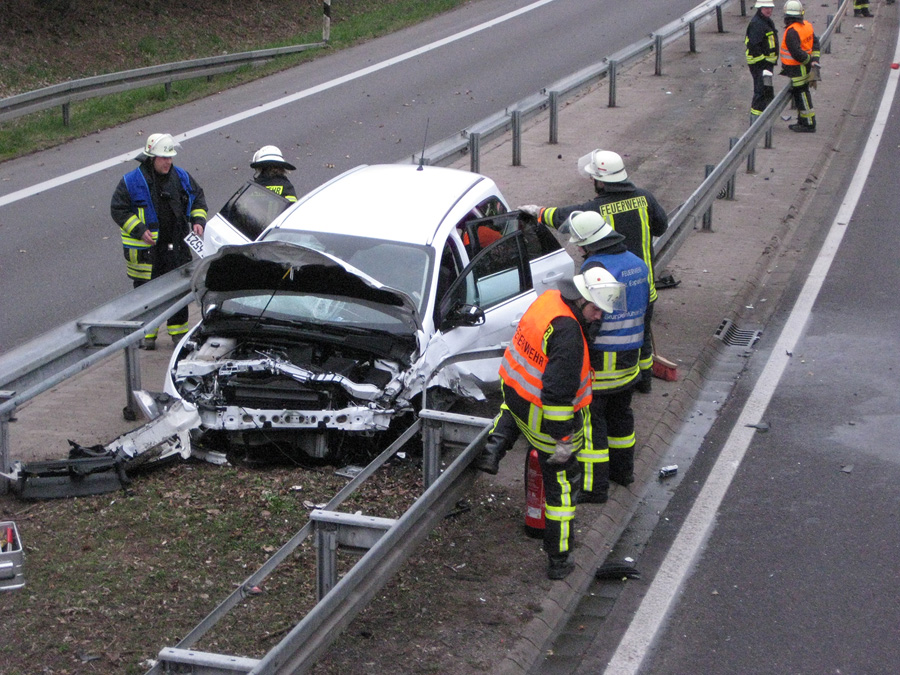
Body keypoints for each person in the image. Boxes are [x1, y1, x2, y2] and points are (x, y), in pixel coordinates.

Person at [473, 272, 621, 580]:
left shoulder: (549, 300)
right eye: (596, 308)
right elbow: (557, 396)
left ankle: (493, 449)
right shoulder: (569, 335)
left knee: (510, 412)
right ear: (580, 299)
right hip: (545, 421)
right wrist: (563, 439)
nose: (599, 316)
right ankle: (559, 559)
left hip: (515, 393)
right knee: (562, 491)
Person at [519, 149, 666, 394]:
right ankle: (643, 381)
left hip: (607, 289)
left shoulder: (596, 208)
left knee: (607, 339)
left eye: (594, 178)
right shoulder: (645, 198)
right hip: (643, 284)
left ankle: (607, 384)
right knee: (640, 338)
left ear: (601, 181)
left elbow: (566, 217)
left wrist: (538, 212)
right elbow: (661, 227)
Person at [563, 211, 650, 493]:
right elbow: (648, 309)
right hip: (630, 357)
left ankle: (594, 487)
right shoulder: (637, 262)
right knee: (621, 417)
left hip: (602, 360)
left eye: (581, 244)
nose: (579, 250)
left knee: (592, 423)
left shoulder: (596, 268)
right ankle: (623, 473)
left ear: (591, 243)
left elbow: (591, 317)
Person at [110, 133, 208, 349]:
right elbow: (118, 209)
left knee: (178, 292)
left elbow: (198, 198)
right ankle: (148, 335)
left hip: (177, 246)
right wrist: (138, 229)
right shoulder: (131, 182)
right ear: (151, 158)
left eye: (170, 157)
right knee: (146, 294)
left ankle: (178, 335)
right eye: (164, 158)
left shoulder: (181, 177)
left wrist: (198, 220)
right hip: (148, 252)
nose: (168, 162)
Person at [780, 0, 820, 133]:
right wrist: (814, 60)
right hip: (805, 67)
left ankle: (809, 124)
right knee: (802, 94)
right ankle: (802, 121)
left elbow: (796, 53)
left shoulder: (791, 31)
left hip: (797, 69)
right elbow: (815, 44)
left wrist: (809, 60)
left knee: (801, 95)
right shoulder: (807, 26)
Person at [745, 0, 779, 124]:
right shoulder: (757, 24)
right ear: (760, 8)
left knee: (766, 91)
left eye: (770, 7)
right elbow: (754, 46)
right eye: (766, 8)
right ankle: (755, 121)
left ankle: (763, 119)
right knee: (760, 91)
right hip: (759, 64)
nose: (769, 10)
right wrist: (763, 63)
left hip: (766, 64)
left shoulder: (766, 21)